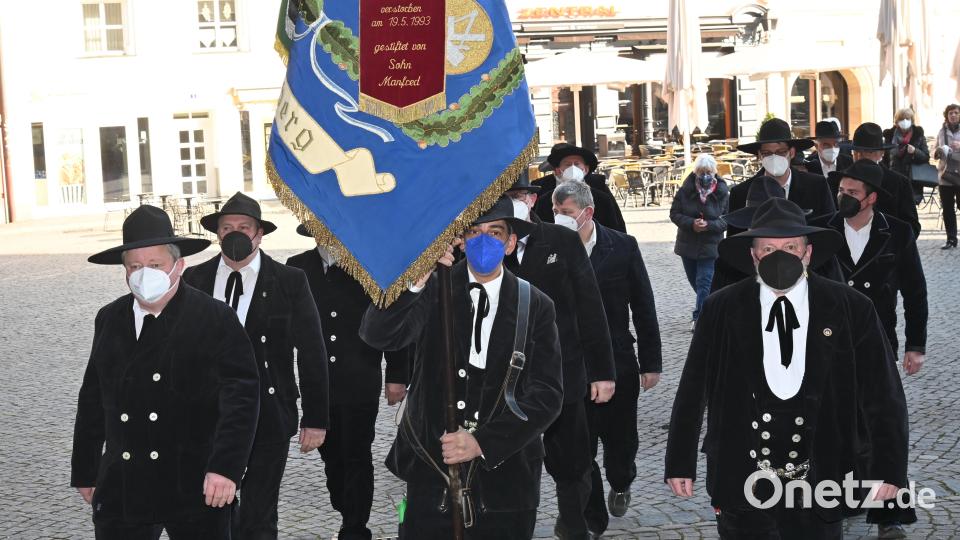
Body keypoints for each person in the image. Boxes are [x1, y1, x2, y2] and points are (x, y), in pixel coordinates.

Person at [665, 198, 909, 539]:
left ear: (808, 253)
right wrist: (679, 461)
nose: (779, 256)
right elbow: (693, 388)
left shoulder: (850, 307)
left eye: (790, 246)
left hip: (821, 478)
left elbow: (883, 395)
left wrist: (889, 470)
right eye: (768, 248)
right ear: (753, 256)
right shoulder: (722, 308)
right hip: (741, 474)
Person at [359, 197, 564, 540]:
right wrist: (413, 283)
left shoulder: (536, 304)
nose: (484, 240)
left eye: (495, 232)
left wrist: (482, 442)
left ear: (511, 242)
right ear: (461, 241)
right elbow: (377, 335)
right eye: (474, 231)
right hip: (432, 475)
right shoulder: (432, 289)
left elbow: (547, 394)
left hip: (506, 483)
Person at [72, 205, 260, 539]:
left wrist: (225, 469)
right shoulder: (110, 318)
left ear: (179, 265)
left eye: (155, 265)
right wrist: (86, 469)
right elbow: (92, 399)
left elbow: (241, 399)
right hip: (124, 483)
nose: (144, 274)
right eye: (135, 266)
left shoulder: (213, 318)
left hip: (196, 484)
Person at [182, 192, 330, 539]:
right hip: (207, 416)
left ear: (259, 234)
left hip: (269, 413)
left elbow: (311, 351)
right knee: (212, 506)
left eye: (244, 227)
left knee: (258, 515)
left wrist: (316, 419)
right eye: (227, 227)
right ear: (217, 234)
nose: (234, 233)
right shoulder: (193, 280)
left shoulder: (289, 281)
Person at [550, 181, 662, 535]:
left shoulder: (622, 246)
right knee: (579, 448)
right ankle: (589, 517)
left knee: (620, 439)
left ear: (588, 213)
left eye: (566, 213)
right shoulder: (548, 250)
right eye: (556, 213)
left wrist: (651, 361)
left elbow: (643, 305)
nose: (560, 219)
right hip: (569, 365)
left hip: (618, 361)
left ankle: (622, 479)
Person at [824, 160, 927, 539]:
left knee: (885, 427)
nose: (844, 197)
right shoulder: (822, 230)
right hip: (828, 346)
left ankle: (890, 516)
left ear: (871, 198)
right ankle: (842, 498)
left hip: (878, 344)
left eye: (852, 192)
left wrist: (916, 346)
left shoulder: (896, 233)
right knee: (837, 425)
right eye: (841, 190)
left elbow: (915, 293)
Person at [508, 182, 617, 540]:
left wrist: (602, 372)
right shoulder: (481, 247)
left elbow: (590, 307)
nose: (512, 205)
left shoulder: (561, 240)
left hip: (562, 372)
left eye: (517, 197)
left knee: (573, 461)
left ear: (531, 199)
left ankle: (578, 524)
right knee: (513, 464)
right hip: (505, 383)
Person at [287, 224, 409, 540]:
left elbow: (391, 317)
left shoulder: (368, 267)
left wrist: (397, 374)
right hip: (317, 382)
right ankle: (346, 507)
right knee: (332, 456)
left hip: (360, 376)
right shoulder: (298, 267)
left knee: (356, 452)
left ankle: (355, 528)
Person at [729, 117, 836, 219]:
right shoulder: (741, 193)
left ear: (792, 152)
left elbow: (830, 230)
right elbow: (735, 237)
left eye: (781, 152)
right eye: (767, 153)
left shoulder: (816, 186)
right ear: (760, 155)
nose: (774, 157)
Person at [670, 154, 730, 330]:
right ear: (696, 172)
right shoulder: (685, 190)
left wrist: (710, 225)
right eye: (702, 172)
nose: (705, 175)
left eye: (709, 172)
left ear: (715, 172)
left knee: (704, 281)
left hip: (711, 246)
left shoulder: (723, 192)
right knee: (696, 283)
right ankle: (715, 307)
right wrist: (691, 224)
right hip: (688, 244)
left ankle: (700, 318)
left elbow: (727, 219)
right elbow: (674, 213)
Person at [838, 123, 921, 238]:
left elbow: (912, 226)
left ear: (881, 154)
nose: (859, 156)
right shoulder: (841, 180)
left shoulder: (898, 183)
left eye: (867, 152)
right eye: (856, 151)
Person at [532, 144, 627, 233]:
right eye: (568, 164)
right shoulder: (543, 196)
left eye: (577, 164)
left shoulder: (600, 192)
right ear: (557, 170)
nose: (572, 168)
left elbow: (615, 225)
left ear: (585, 169)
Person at [883, 107, 930, 203]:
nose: (904, 121)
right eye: (901, 119)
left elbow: (926, 157)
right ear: (896, 121)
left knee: (910, 212)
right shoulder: (889, 136)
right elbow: (884, 159)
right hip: (894, 179)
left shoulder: (918, 135)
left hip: (912, 181)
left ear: (912, 120)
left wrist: (915, 151)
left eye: (907, 119)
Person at [934, 103, 960, 249]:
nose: (953, 115)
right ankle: (951, 239)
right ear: (947, 115)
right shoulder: (941, 131)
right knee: (948, 209)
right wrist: (937, 152)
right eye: (951, 113)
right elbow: (935, 152)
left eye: (956, 113)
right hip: (945, 175)